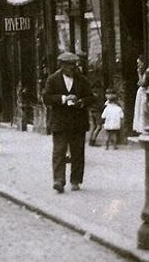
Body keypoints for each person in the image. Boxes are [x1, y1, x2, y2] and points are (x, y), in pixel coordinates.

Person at [43, 52, 92, 193]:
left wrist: (82, 102)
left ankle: (75, 180)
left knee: (78, 152)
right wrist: (63, 98)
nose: (72, 68)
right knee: (59, 152)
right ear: (61, 66)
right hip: (60, 122)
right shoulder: (52, 80)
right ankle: (58, 180)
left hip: (78, 122)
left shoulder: (82, 80)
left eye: (74, 65)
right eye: (68, 65)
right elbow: (46, 98)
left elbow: (91, 97)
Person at [133, 56, 148, 135]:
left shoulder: (146, 72)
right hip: (141, 92)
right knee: (140, 110)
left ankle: (144, 128)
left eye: (139, 63)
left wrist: (139, 74)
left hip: (144, 92)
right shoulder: (143, 72)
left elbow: (141, 83)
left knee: (143, 110)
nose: (138, 65)